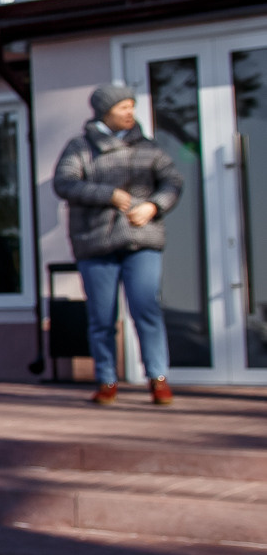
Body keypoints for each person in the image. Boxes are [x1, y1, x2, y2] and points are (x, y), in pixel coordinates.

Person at [55, 83, 184, 405]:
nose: (130, 113)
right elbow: (65, 183)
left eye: (131, 106)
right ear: (104, 112)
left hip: (141, 239)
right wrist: (108, 195)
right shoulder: (80, 147)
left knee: (146, 308)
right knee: (101, 316)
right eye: (122, 107)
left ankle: (158, 378)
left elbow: (172, 181)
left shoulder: (149, 148)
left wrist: (154, 205)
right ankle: (106, 380)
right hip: (96, 242)